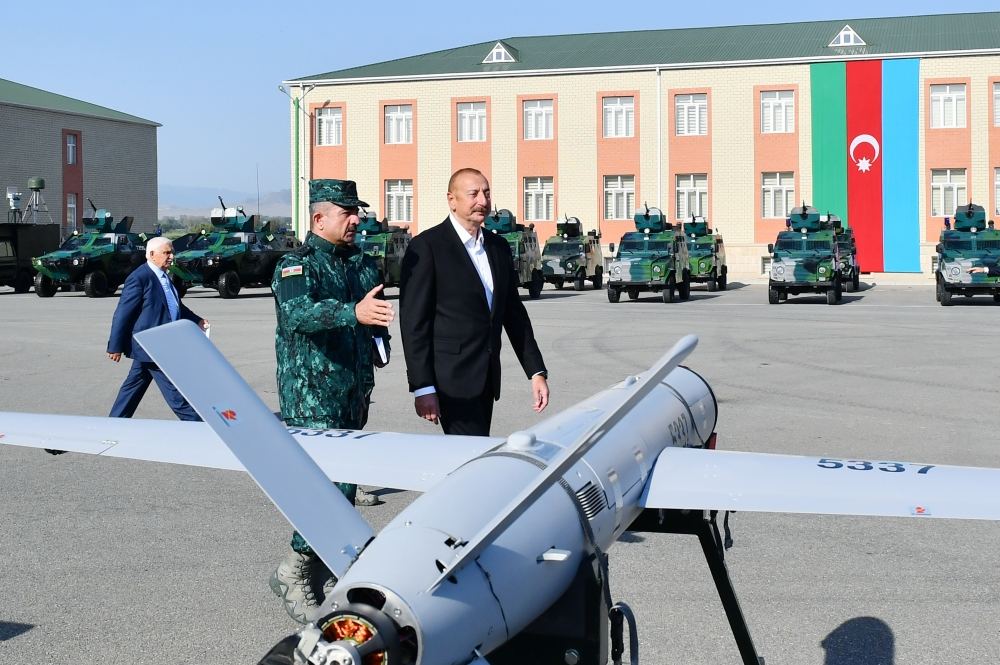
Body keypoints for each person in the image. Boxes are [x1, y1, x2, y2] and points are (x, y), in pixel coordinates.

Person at [269, 178, 394, 624]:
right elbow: (297, 314)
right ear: (319, 218)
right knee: (331, 486)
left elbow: (373, 312)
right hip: (312, 391)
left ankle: (322, 568)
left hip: (352, 388)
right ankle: (294, 568)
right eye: (346, 213)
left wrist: (378, 337)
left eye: (356, 211)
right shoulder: (295, 265)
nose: (356, 220)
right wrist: (351, 313)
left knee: (345, 483)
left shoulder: (360, 264)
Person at [400, 168, 549, 436]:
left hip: (486, 380)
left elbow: (514, 314)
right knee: (469, 455)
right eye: (473, 194)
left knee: (474, 452)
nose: (482, 201)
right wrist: (422, 386)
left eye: (486, 193)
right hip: (450, 382)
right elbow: (414, 324)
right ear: (452, 199)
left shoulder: (498, 247)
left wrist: (536, 371)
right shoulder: (428, 247)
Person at [106, 236, 208, 421]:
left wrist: (196, 320)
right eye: (166, 253)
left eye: (172, 252)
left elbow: (174, 306)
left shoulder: (163, 276)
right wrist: (115, 346)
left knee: (133, 387)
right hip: (153, 346)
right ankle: (199, 426)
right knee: (176, 394)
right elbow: (123, 313)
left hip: (158, 345)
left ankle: (114, 423)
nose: (171, 257)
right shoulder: (139, 278)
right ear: (152, 254)